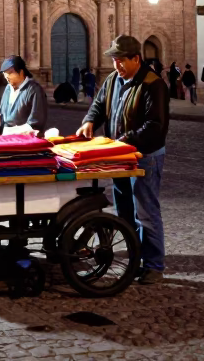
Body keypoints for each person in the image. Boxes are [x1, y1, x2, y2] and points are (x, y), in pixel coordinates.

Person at [77, 35, 169, 285]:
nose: (116, 65)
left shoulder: (153, 84)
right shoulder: (113, 79)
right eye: (114, 60)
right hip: (119, 157)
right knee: (124, 211)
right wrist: (90, 121)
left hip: (144, 157)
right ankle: (134, 259)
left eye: (120, 61)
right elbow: (98, 104)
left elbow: (155, 126)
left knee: (146, 212)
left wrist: (125, 139)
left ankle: (154, 265)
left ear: (136, 59)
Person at [0, 56, 48, 135]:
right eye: (5, 73)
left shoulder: (34, 90)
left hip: (25, 142)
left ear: (21, 72)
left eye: (10, 72)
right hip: (6, 139)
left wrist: (8, 131)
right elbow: (1, 115)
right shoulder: (8, 88)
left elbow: (35, 124)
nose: (7, 76)